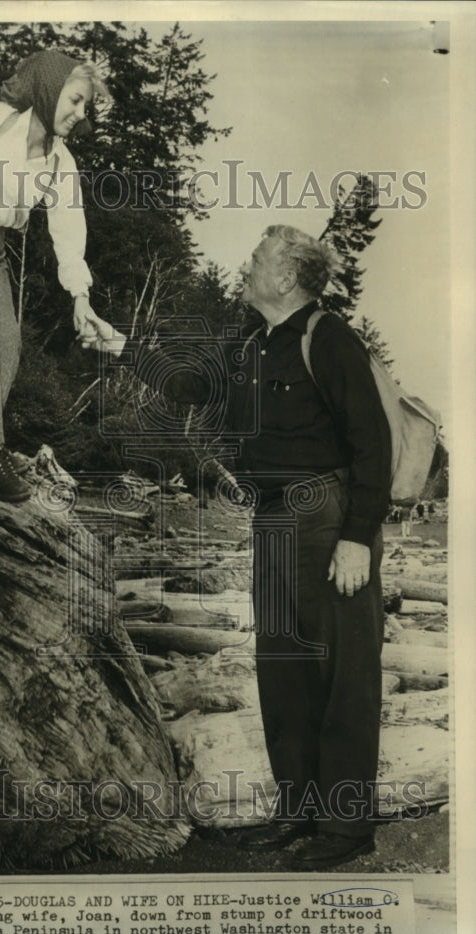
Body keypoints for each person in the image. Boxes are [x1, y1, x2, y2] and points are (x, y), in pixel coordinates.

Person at [82, 225, 392, 869]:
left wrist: (358, 538)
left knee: (341, 672)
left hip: (328, 513)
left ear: (287, 276)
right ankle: (298, 812)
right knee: (283, 670)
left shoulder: (329, 340)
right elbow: (192, 387)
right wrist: (119, 345)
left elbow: (372, 445)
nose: (246, 265)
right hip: (275, 518)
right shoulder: (253, 342)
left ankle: (346, 828)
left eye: (257, 258)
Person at [0, 50, 111, 502]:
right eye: (74, 100)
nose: (78, 113)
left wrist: (81, 297)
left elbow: (69, 229)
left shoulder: (59, 162)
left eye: (85, 106)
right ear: (49, 89)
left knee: (9, 348)